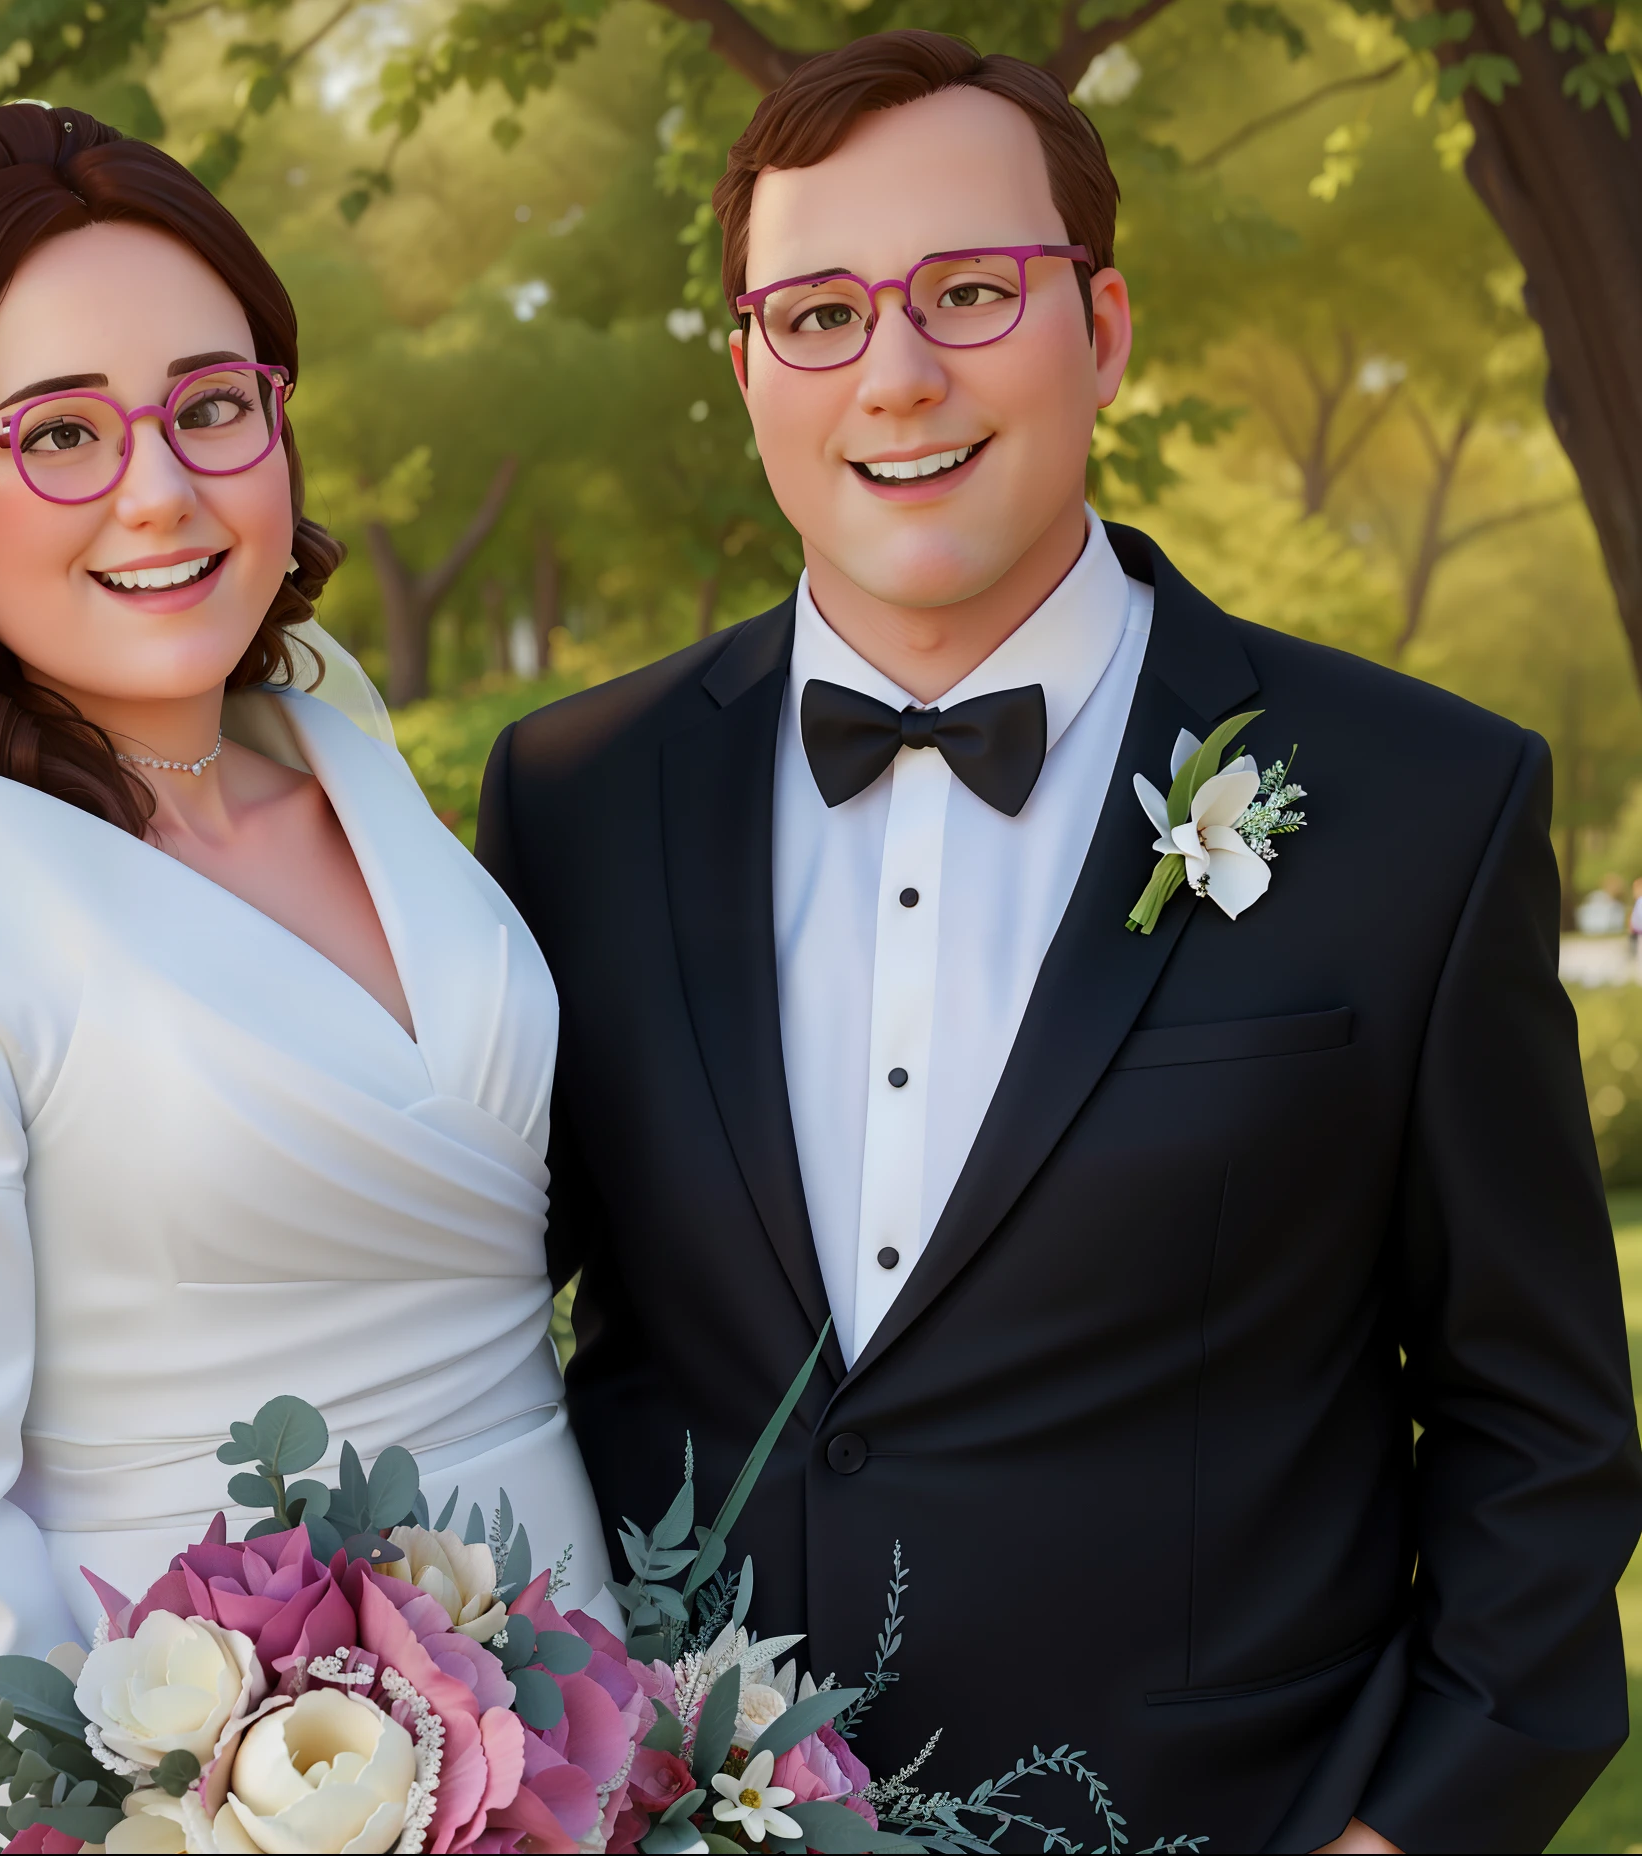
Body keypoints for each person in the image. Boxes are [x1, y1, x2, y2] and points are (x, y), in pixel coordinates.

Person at [477, 31, 1642, 1854]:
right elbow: (478, 1327)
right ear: (749, 371)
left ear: (1102, 330)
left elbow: (1542, 1433)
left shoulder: (1426, 802)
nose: (900, 373)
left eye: (968, 292)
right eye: (822, 315)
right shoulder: (573, 794)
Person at [0, 105, 607, 1854]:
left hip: (569, 1702)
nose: (160, 490)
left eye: (210, 406)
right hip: (166, 1765)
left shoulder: (339, 741)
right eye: (59, 433)